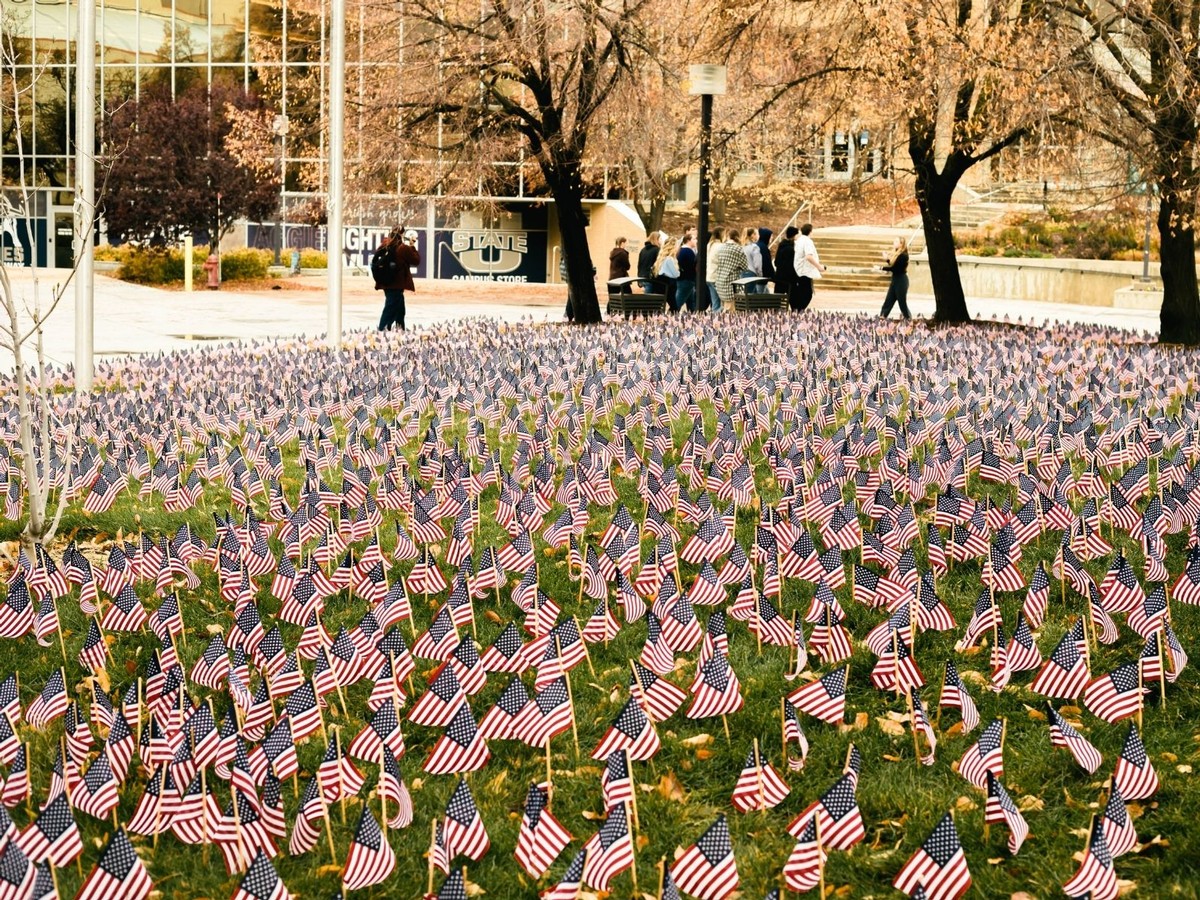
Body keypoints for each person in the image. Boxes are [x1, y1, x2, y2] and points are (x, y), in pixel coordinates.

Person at [372, 226, 420, 331]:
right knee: (390, 310)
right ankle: (382, 332)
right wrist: (412, 246)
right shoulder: (403, 248)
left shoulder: (384, 245)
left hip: (385, 282)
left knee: (399, 310)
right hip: (396, 284)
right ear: (401, 235)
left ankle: (400, 330)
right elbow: (416, 260)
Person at [712, 231, 749, 311]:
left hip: (720, 282)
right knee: (730, 311)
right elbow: (745, 267)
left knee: (725, 307)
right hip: (731, 284)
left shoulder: (721, 248)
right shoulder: (738, 249)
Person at [792, 222, 825, 311]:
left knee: (802, 293)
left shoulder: (799, 241)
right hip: (805, 271)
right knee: (807, 294)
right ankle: (798, 312)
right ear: (810, 232)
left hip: (799, 270)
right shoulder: (807, 241)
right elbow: (809, 256)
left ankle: (797, 311)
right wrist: (819, 267)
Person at [879, 237, 912, 319]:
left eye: (896, 241)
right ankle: (882, 316)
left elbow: (896, 268)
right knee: (888, 301)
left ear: (901, 244)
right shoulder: (897, 254)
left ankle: (908, 318)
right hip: (895, 280)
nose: (894, 242)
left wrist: (881, 268)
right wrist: (887, 259)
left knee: (902, 303)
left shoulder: (904, 255)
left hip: (901, 281)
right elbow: (893, 265)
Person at [774, 226, 799, 309]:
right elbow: (792, 266)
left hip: (779, 277)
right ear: (794, 236)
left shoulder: (781, 246)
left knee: (777, 301)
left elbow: (776, 262)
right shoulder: (791, 249)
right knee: (794, 302)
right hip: (789, 279)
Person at [655, 237, 681, 312]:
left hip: (661, 282)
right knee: (674, 306)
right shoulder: (670, 259)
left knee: (664, 305)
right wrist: (678, 271)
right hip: (669, 284)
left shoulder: (662, 258)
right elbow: (676, 274)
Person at [676, 232, 698, 312]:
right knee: (679, 300)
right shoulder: (688, 252)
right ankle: (671, 314)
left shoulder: (681, 250)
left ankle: (693, 314)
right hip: (687, 279)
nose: (696, 241)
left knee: (691, 301)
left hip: (683, 278)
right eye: (694, 239)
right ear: (688, 240)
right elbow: (692, 266)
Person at [705, 227, 724, 311]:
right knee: (724, 304)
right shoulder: (720, 246)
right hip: (717, 277)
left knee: (715, 303)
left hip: (709, 276)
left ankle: (714, 318)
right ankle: (717, 317)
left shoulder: (709, 245)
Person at [741, 227, 763, 293]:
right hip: (752, 273)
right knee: (750, 296)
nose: (758, 236)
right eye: (757, 234)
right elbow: (757, 264)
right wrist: (760, 274)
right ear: (753, 235)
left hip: (743, 273)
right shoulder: (754, 247)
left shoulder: (743, 246)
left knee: (750, 294)